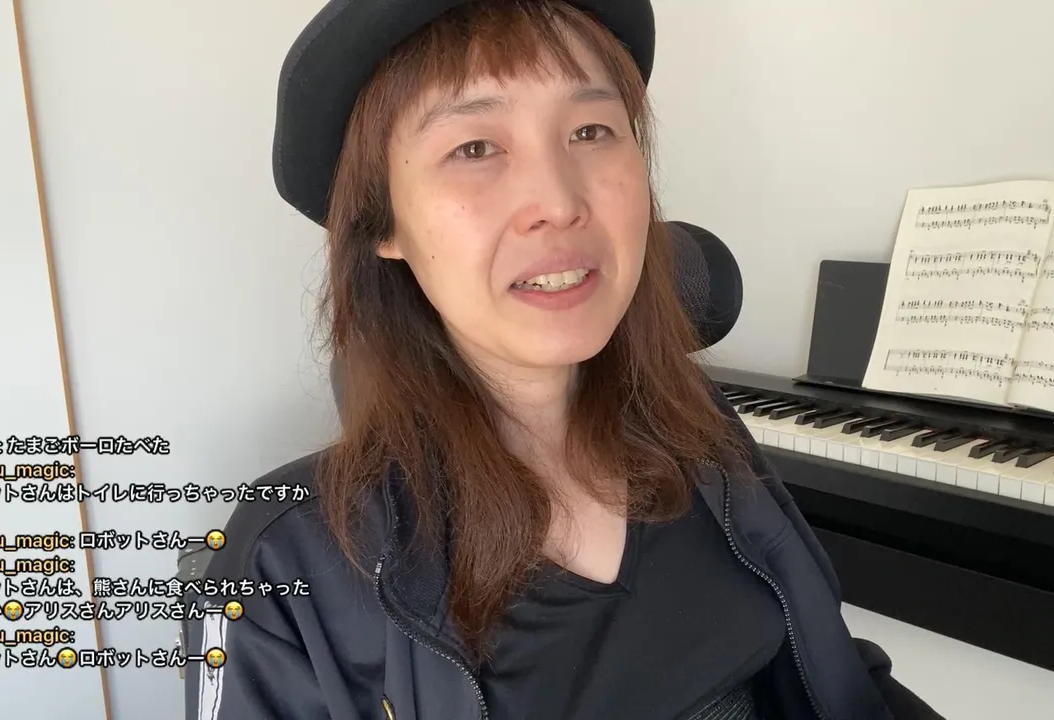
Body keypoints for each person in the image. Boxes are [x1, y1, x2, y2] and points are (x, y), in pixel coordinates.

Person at [191, 1, 943, 718]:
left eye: (590, 130)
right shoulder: (279, 562)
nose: (558, 201)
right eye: (474, 148)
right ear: (381, 222)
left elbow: (833, 671)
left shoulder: (697, 426)